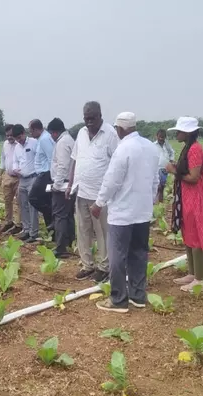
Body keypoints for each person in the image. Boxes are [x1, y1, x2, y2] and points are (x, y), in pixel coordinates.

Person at [92, 112, 159, 313]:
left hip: (122, 213)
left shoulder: (123, 149)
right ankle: (138, 295)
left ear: (120, 129)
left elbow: (112, 180)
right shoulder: (150, 147)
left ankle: (118, 299)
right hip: (142, 211)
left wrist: (99, 203)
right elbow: (155, 179)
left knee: (117, 256)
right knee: (139, 253)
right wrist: (150, 200)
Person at [66, 101, 119, 283]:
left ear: (100, 116)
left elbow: (117, 164)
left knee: (103, 231)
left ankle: (104, 267)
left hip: (100, 195)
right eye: (86, 119)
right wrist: (69, 183)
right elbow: (74, 160)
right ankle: (87, 264)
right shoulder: (81, 133)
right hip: (81, 191)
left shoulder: (110, 134)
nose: (89, 122)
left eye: (92, 118)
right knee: (83, 230)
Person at [165, 117, 203, 293]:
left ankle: (200, 280)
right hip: (187, 197)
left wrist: (173, 172)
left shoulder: (194, 150)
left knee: (197, 236)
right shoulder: (188, 148)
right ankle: (192, 274)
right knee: (189, 234)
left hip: (197, 197)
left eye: (178, 131)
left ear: (187, 132)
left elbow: (193, 177)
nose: (176, 134)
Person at [47, 118, 75, 258]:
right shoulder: (69, 140)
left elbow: (63, 166)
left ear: (56, 132)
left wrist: (56, 185)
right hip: (68, 183)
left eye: (51, 133)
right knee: (68, 215)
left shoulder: (63, 143)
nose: (51, 136)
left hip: (63, 184)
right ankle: (70, 242)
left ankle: (61, 248)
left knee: (60, 217)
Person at [11, 124, 39, 243]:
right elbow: (15, 162)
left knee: (32, 205)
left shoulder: (33, 143)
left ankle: (33, 232)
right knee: (23, 205)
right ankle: (26, 229)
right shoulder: (17, 147)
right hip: (21, 179)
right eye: (16, 138)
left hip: (32, 177)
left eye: (19, 137)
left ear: (24, 133)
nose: (19, 140)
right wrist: (15, 169)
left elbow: (38, 158)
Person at [28, 119, 54, 232]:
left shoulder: (44, 139)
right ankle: (52, 232)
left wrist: (52, 177)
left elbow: (51, 158)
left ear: (36, 129)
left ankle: (53, 215)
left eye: (31, 131)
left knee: (33, 198)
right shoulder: (42, 138)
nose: (30, 134)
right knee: (46, 201)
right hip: (44, 174)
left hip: (46, 174)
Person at [0, 124, 22, 235]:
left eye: (11, 135)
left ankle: (19, 224)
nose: (9, 137)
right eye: (7, 135)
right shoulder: (5, 144)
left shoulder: (20, 144)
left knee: (19, 201)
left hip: (19, 177)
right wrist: (0, 173)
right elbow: (3, 159)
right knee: (7, 200)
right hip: (8, 175)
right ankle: (9, 222)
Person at [154, 129, 175, 203]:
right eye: (159, 137)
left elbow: (172, 152)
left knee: (162, 186)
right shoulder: (153, 145)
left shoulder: (167, 145)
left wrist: (171, 160)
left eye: (162, 137)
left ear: (165, 137)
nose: (161, 138)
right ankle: (155, 202)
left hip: (165, 168)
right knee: (157, 186)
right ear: (156, 136)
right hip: (156, 168)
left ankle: (160, 202)